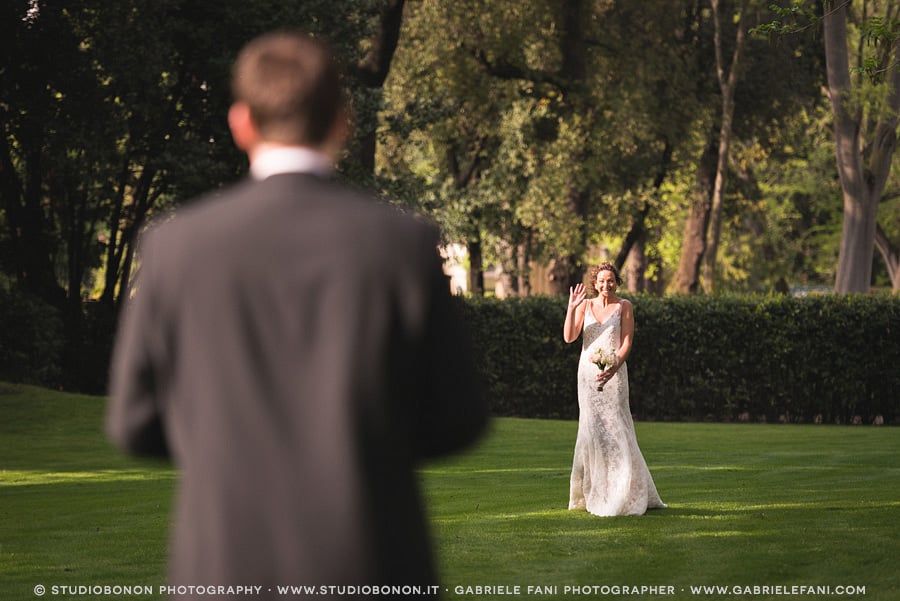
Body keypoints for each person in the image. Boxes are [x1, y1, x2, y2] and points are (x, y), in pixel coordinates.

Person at [106, 31, 487, 599]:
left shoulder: (176, 246)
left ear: (241, 123)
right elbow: (459, 419)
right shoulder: (400, 243)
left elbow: (133, 423)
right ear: (341, 122)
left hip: (223, 564)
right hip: (372, 561)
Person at [563, 262, 665, 516]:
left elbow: (627, 341)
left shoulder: (624, 306)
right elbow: (569, 337)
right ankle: (593, 490)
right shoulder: (585, 305)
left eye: (610, 280)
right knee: (591, 430)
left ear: (616, 282)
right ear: (594, 283)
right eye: (601, 281)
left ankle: (626, 491)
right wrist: (572, 307)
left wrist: (613, 366)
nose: (605, 285)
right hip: (587, 377)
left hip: (615, 374)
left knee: (617, 426)